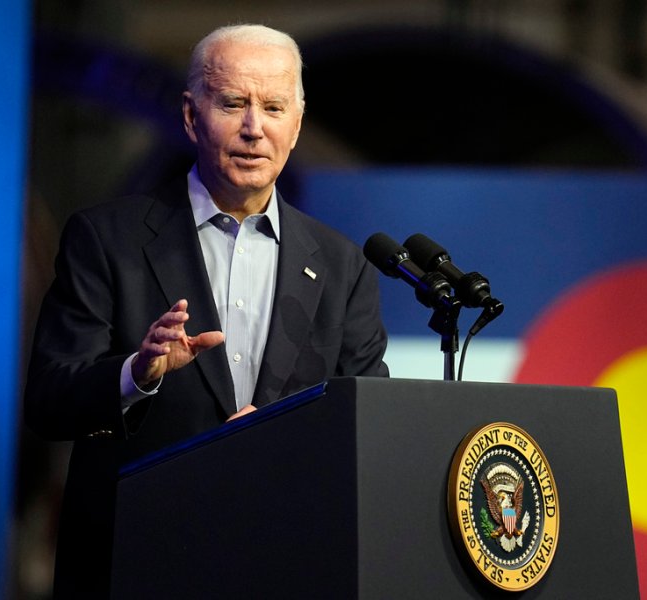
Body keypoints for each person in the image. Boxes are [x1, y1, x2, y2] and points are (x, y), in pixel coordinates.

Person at [24, 24, 389, 599]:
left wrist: (284, 443)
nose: (254, 128)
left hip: (285, 569)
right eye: (233, 103)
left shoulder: (344, 267)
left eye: (273, 106)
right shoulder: (106, 239)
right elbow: (49, 403)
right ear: (192, 116)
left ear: (296, 124)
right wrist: (134, 376)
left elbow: (367, 429)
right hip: (138, 567)